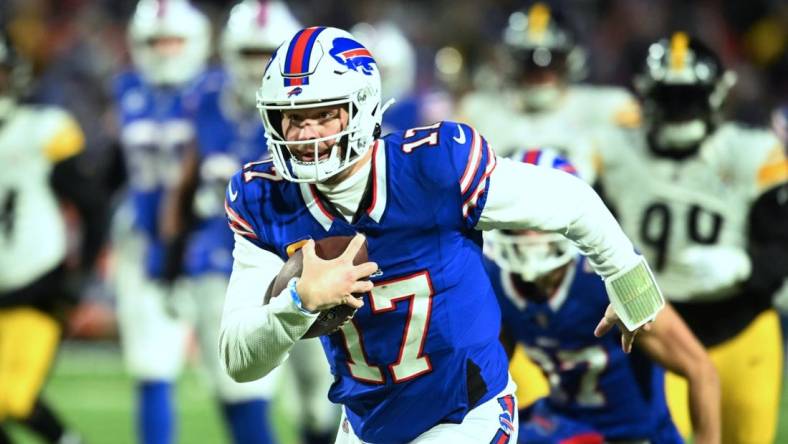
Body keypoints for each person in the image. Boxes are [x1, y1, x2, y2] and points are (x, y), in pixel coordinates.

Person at [219, 26, 664, 444]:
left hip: (466, 411)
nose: (306, 134)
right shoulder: (264, 200)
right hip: (366, 422)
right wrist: (298, 305)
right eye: (291, 118)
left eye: (323, 115)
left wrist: (631, 284)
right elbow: (240, 361)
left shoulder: (433, 168)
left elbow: (570, 199)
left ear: (363, 107)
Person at [598, 33, 788, 444]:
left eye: (689, 97)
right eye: (669, 97)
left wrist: (746, 268)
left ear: (716, 96)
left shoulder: (750, 150)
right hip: (662, 331)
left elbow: (782, 244)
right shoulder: (615, 150)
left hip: (743, 327)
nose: (680, 109)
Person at [161, 1, 337, 443]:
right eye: (247, 53)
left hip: (302, 257)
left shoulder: (317, 107)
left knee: (322, 399)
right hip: (222, 258)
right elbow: (183, 181)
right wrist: (170, 257)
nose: (257, 65)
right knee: (240, 385)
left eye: (267, 53)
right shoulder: (204, 99)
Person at [485, 149, 720, 444]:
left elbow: (701, 370)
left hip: (633, 436)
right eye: (519, 216)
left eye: (539, 215)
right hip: (562, 422)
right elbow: (488, 377)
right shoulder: (497, 277)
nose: (527, 232)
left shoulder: (606, 274)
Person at [110, 1, 210, 443]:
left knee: (245, 378)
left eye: (174, 40)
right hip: (145, 241)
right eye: (155, 41)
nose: (165, 50)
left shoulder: (215, 91)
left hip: (209, 243)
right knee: (151, 366)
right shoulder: (127, 89)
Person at [0, 30, 105, 444]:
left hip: (36, 285)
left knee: (12, 399)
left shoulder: (40, 128)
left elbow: (93, 207)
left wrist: (77, 280)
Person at [458, 2, 641, 183]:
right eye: (528, 62)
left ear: (571, 60)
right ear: (511, 62)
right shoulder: (478, 111)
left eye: (552, 60)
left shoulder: (608, 107)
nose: (540, 72)